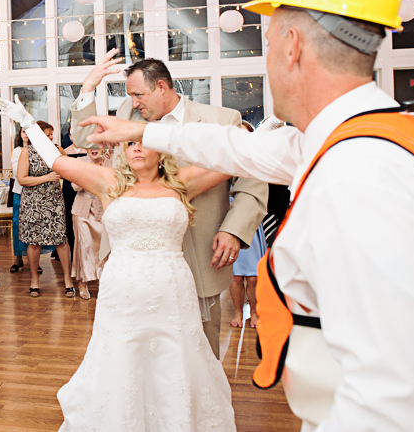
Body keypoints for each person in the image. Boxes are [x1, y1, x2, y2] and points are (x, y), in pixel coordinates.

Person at [79, 0, 414, 431]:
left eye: (269, 43)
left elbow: (388, 392)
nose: (267, 62)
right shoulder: (364, 137)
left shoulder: (361, 175)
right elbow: (242, 149)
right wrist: (141, 130)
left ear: (293, 47)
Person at [0, 95, 236, 431]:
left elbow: (232, 160)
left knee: (177, 354)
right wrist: (28, 124)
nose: (135, 149)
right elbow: (57, 162)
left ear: (160, 148)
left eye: (143, 142)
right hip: (122, 286)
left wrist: (260, 132)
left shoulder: (181, 183)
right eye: (130, 144)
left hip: (172, 286)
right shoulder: (109, 183)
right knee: (121, 353)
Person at [70, 53, 268, 357]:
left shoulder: (221, 120)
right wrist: (88, 88)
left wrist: (233, 230)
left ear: (162, 87)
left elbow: (253, 180)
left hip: (202, 248)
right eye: (130, 96)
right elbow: (85, 138)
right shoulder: (128, 116)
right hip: (137, 257)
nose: (133, 102)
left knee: (200, 346)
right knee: (139, 346)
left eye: (138, 94)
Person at [17, 121, 73, 298]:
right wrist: (47, 177)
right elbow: (22, 179)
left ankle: (68, 280)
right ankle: (34, 280)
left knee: (61, 241)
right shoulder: (27, 151)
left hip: (54, 201)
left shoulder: (57, 149)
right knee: (34, 242)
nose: (51, 138)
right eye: (47, 134)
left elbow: (70, 169)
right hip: (33, 203)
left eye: (51, 134)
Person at [228, 122, 267, 328]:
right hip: (229, 222)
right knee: (235, 277)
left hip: (251, 224)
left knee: (253, 277)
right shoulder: (223, 163)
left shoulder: (256, 163)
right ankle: (237, 312)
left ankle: (254, 312)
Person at [9, 129, 52, 273]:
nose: (26, 133)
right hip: (20, 193)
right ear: (20, 134)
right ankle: (18, 258)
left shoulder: (39, 149)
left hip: (36, 192)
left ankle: (34, 261)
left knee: (35, 227)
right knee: (18, 226)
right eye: (23, 131)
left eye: (29, 130)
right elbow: (17, 173)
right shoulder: (17, 151)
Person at [70, 147, 108, 300]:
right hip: (82, 210)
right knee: (83, 247)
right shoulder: (79, 162)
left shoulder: (109, 162)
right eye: (90, 146)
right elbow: (75, 186)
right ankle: (82, 283)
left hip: (103, 210)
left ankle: (104, 284)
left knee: (104, 249)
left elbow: (113, 186)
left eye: (97, 146)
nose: (94, 149)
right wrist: (92, 172)